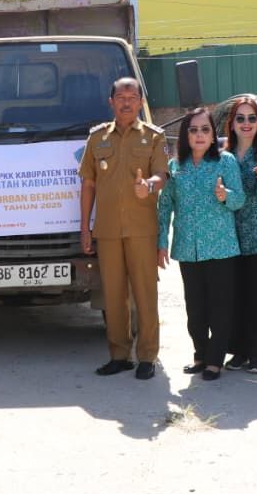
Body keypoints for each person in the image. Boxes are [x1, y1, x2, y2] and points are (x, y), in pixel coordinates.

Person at [77, 77, 168, 380]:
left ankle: (147, 357)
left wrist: (149, 187)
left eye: (132, 96)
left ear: (141, 102)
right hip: (108, 229)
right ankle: (119, 355)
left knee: (145, 294)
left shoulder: (154, 137)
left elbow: (161, 175)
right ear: (111, 102)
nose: (126, 102)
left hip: (142, 229)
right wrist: (85, 227)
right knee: (113, 296)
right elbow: (88, 184)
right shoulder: (97, 138)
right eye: (120, 97)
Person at [158, 107, 245, 380]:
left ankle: (214, 360)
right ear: (185, 135)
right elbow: (165, 206)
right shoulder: (175, 166)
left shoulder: (226, 161)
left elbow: (239, 199)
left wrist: (225, 195)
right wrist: (161, 242)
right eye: (193, 130)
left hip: (220, 248)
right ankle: (200, 354)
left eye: (205, 129)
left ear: (212, 134)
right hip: (187, 248)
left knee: (220, 306)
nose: (199, 135)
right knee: (195, 308)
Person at [224, 94, 257, 374]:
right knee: (236, 298)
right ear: (232, 123)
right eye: (241, 118)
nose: (246, 123)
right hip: (231, 239)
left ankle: (256, 354)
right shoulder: (224, 156)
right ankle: (238, 352)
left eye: (252, 118)